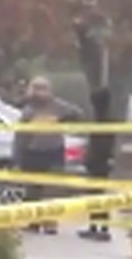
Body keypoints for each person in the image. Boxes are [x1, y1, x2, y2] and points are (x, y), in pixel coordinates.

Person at [12, 76, 82, 234]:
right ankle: (34, 222)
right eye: (36, 88)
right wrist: (17, 158)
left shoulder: (58, 106)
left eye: (43, 89)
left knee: (52, 190)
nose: (39, 92)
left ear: (49, 91)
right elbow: (20, 135)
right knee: (32, 191)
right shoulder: (28, 108)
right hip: (32, 152)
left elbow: (77, 113)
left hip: (53, 151)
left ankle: (50, 224)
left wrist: (62, 120)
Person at [78, 87, 115, 242]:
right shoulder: (107, 121)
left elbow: (99, 146)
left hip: (99, 163)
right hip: (102, 162)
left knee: (96, 195)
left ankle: (100, 228)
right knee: (98, 195)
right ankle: (98, 227)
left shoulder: (101, 122)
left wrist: (89, 159)